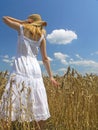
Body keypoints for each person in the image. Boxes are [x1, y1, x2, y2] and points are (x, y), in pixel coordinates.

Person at [0, 14, 59, 130]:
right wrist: (51, 77)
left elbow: (4, 18)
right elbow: (45, 59)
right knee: (37, 99)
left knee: (12, 97)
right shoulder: (42, 37)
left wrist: (22, 21)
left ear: (30, 21)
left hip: (20, 65)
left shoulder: (22, 28)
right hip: (35, 68)